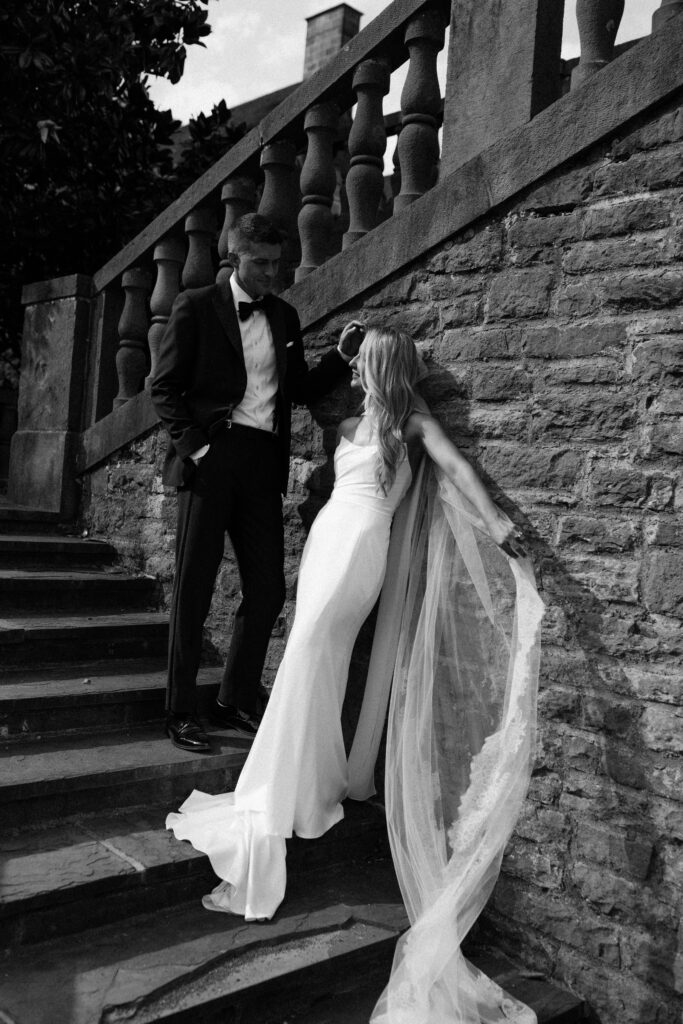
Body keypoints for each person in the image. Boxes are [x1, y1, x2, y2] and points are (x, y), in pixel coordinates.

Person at [167, 326, 544, 1024]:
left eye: (364, 363)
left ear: (381, 368)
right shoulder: (352, 415)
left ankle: (286, 789)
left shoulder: (410, 420)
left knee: (313, 650)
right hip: (328, 540)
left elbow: (459, 472)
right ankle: (303, 777)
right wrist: (341, 351)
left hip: (361, 545)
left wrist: (494, 522)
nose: (356, 374)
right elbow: (300, 396)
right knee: (312, 657)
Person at [151, 212, 364, 753]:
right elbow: (164, 387)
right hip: (210, 459)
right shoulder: (195, 306)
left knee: (267, 589)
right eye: (261, 263)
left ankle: (234, 699)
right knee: (194, 589)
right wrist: (197, 447)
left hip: (262, 466)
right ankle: (179, 710)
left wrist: (340, 358)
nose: (272, 273)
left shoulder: (285, 316)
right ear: (233, 258)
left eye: (278, 263)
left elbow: (295, 390)